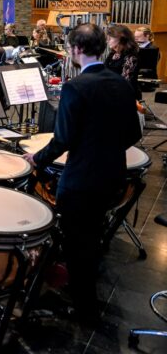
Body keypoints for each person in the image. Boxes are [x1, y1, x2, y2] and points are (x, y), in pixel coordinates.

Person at [23, 23, 141, 323]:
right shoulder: (122, 85)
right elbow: (131, 134)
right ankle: (82, 295)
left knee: (77, 245)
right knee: (91, 237)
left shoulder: (75, 87)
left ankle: (83, 308)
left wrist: (36, 159)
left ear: (75, 50)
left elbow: (62, 140)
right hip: (113, 176)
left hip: (82, 181)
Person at [104, 24, 140, 99]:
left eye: (110, 38)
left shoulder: (131, 56)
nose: (107, 41)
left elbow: (125, 81)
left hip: (125, 94)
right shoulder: (112, 54)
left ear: (121, 38)